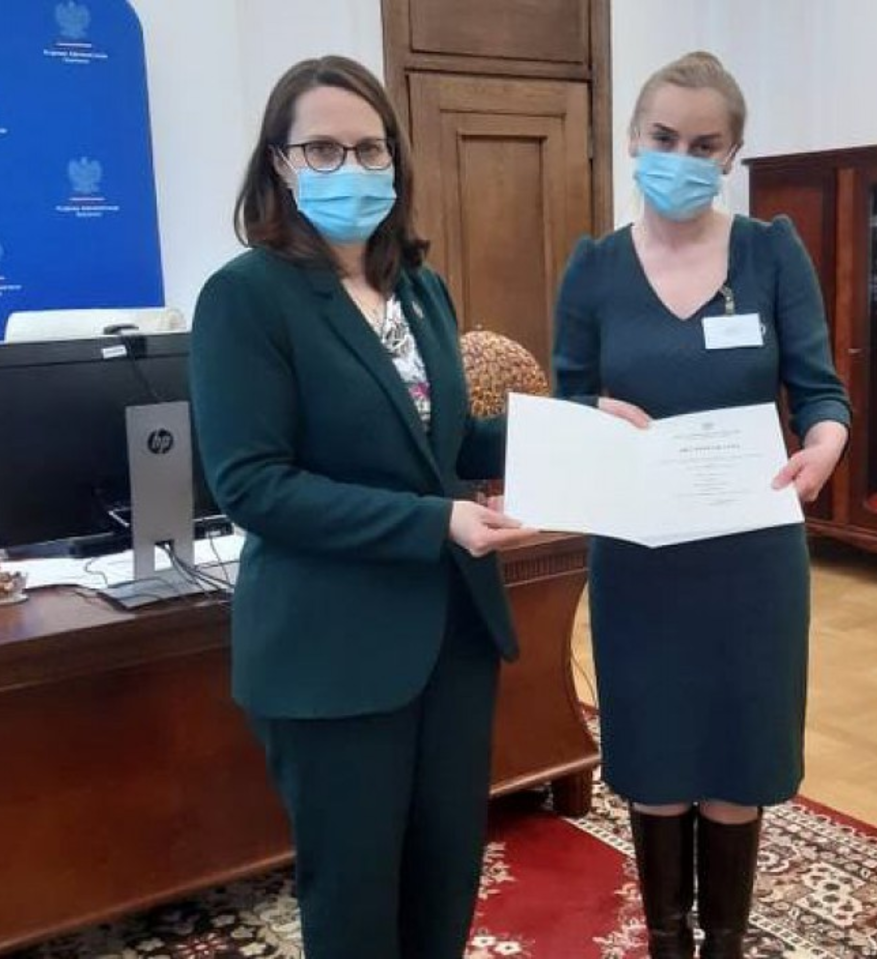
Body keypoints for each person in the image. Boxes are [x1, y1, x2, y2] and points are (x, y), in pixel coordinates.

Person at [189, 55, 534, 959]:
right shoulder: (245, 297)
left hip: (452, 637)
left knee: (445, 875)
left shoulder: (419, 288)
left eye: (370, 148)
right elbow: (253, 484)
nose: (352, 167)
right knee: (355, 895)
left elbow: (445, 446)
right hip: (331, 653)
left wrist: (571, 433)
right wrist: (437, 521)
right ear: (280, 163)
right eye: (324, 149)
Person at [552, 51, 851, 959]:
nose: (681, 157)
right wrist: (589, 415)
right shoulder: (594, 269)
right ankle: (667, 940)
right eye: (664, 137)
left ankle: (724, 942)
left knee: (736, 758)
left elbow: (821, 391)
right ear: (632, 139)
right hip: (639, 563)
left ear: (731, 154)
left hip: (751, 561)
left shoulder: (771, 253)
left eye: (704, 144)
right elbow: (568, 399)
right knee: (655, 758)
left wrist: (826, 442)